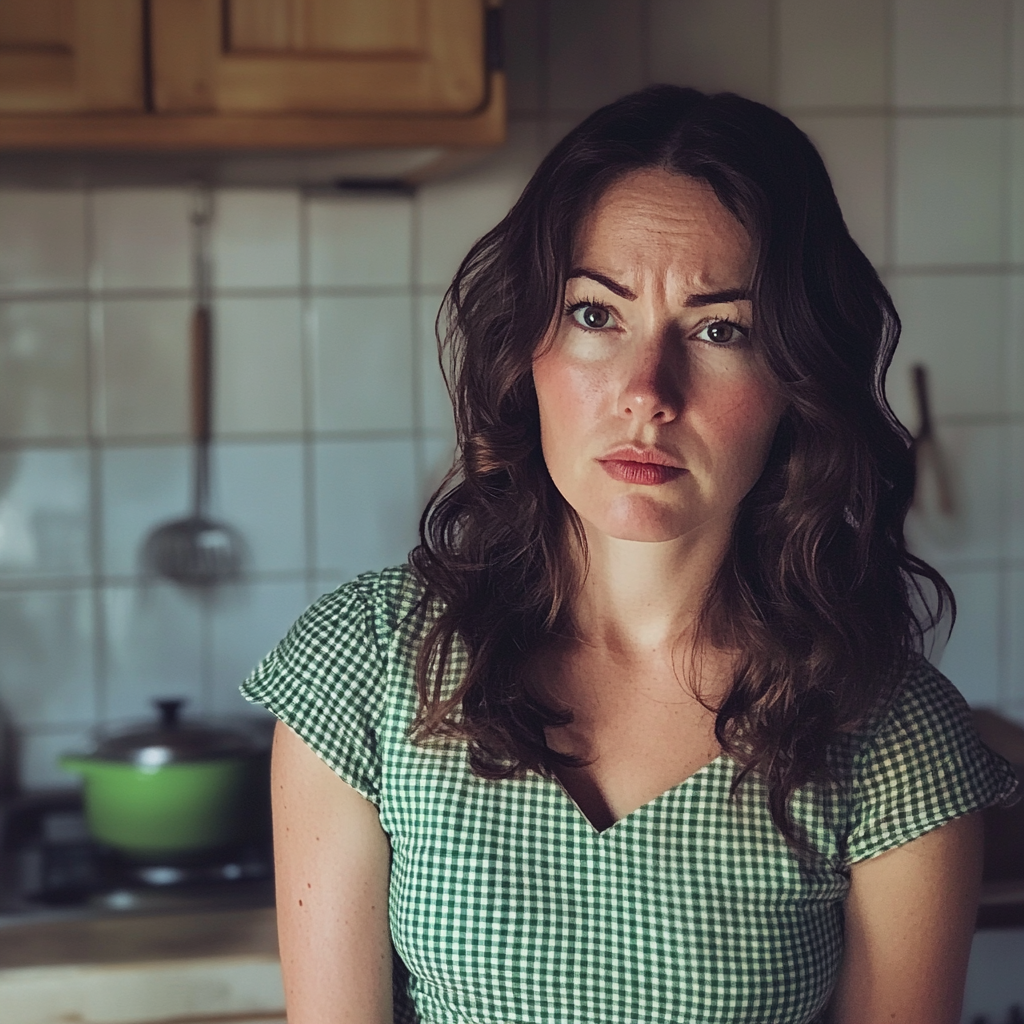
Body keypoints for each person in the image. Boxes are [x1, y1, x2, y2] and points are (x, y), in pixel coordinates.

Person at [242, 86, 1019, 1024]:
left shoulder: (892, 736)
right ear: (526, 345)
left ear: (798, 384)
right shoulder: (362, 664)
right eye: (595, 315)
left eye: (720, 329)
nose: (647, 392)